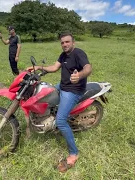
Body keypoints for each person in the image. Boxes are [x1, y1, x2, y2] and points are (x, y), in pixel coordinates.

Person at [26, 32, 92, 172]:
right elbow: (54, 68)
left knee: (61, 121)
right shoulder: (63, 56)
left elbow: (88, 68)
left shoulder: (79, 53)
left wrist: (79, 75)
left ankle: (74, 153)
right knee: (42, 93)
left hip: (73, 91)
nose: (64, 44)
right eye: (62, 42)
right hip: (62, 86)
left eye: (67, 42)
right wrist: (39, 68)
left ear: (73, 42)